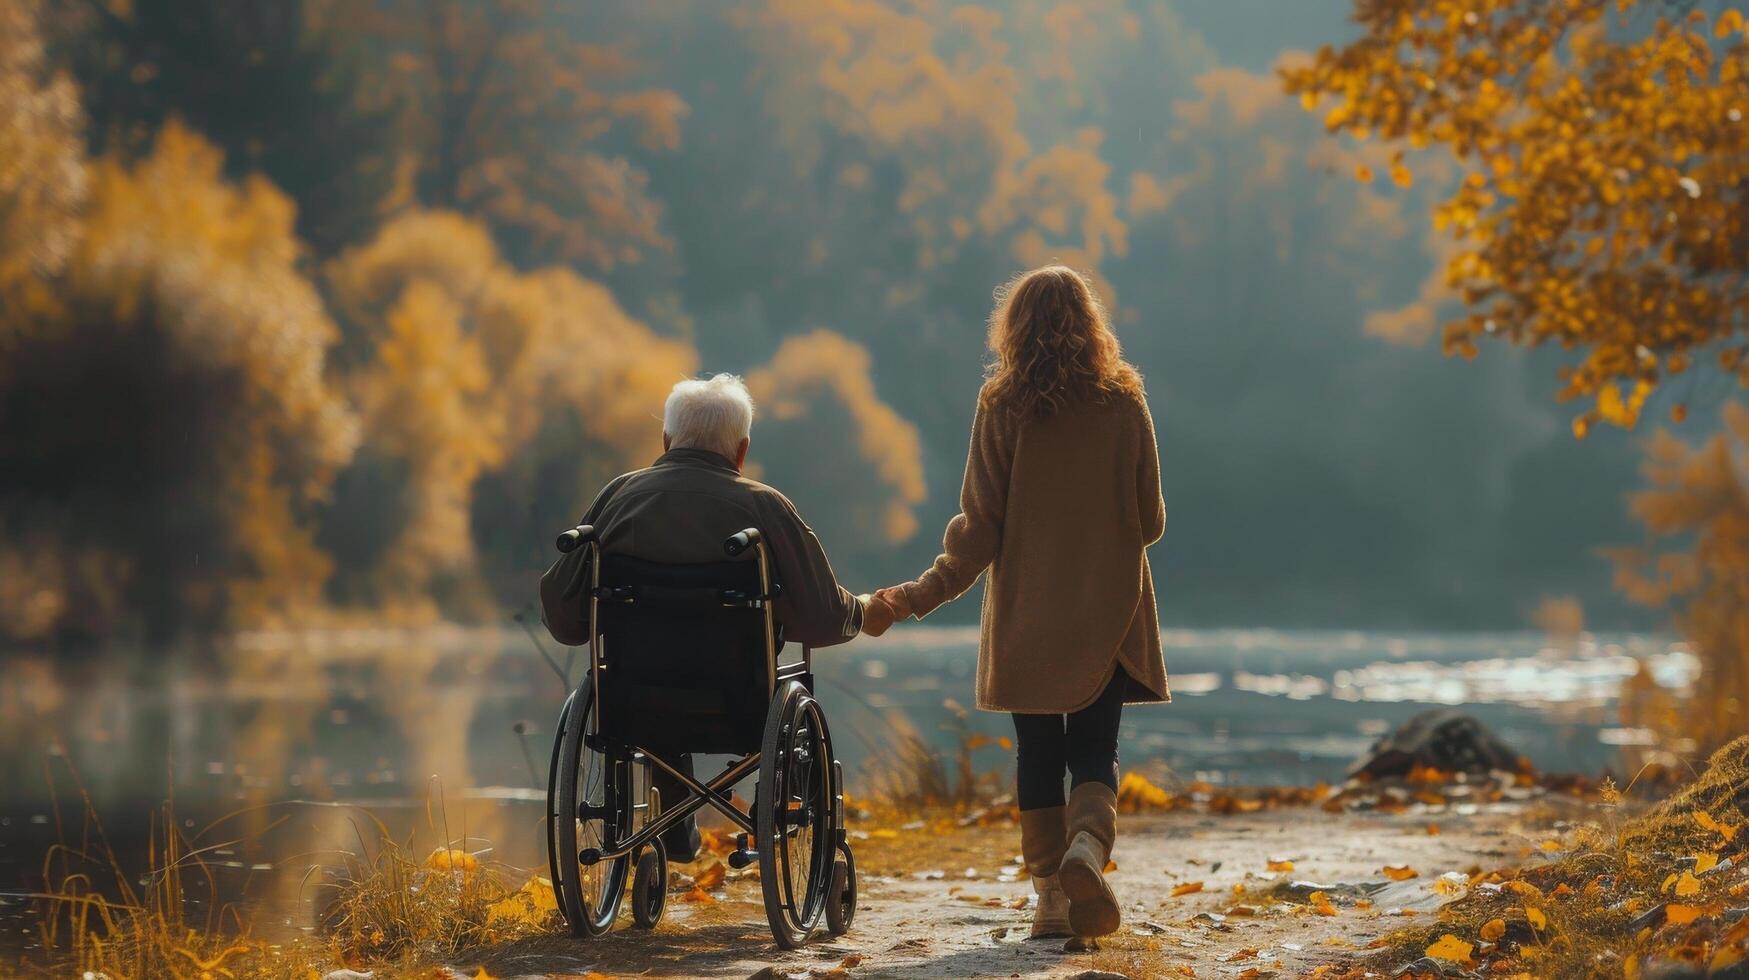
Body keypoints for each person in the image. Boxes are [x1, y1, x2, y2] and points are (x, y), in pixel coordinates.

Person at [875, 266, 1168, 941]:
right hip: (1109, 610)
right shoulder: (1124, 400)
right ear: (1092, 323)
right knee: (1095, 749)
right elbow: (1148, 520)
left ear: (1012, 328)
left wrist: (917, 596)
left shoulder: (1000, 404)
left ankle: (1049, 901)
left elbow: (979, 527)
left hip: (1027, 614)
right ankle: (1085, 851)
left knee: (1037, 753)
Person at [540, 373, 893, 861]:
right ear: (742, 449)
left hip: (634, 702)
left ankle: (674, 823)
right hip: (742, 705)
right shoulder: (763, 507)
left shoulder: (619, 498)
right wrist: (865, 609)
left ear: (666, 440)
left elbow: (564, 615)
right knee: (774, 692)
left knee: (656, 684)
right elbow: (824, 618)